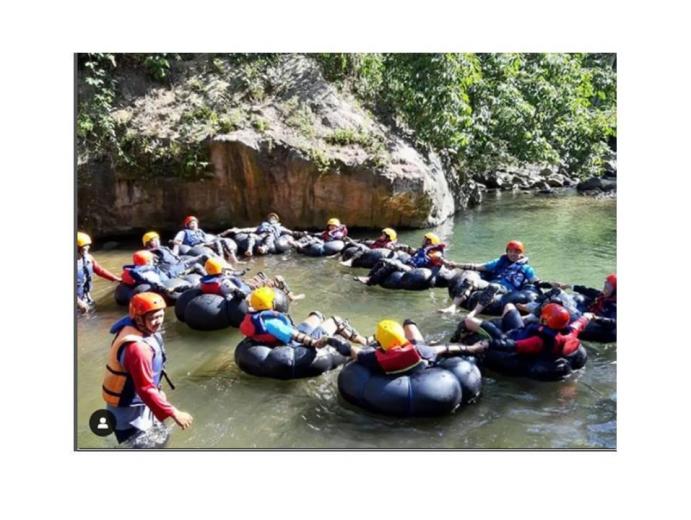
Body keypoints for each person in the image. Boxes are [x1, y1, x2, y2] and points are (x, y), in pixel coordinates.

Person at [102, 292, 193, 447]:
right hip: (128, 415)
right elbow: (144, 388)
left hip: (141, 403)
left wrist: (159, 393)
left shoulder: (141, 330)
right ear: (138, 319)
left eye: (161, 316)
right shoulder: (137, 349)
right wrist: (174, 412)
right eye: (153, 318)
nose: (158, 321)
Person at [327, 319, 486, 375]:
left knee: (368, 344)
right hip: (419, 358)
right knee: (409, 322)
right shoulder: (421, 350)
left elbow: (347, 349)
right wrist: (472, 348)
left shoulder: (374, 358)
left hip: (388, 362)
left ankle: (370, 340)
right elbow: (446, 348)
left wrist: (328, 340)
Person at [439, 240, 545, 314]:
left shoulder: (526, 268)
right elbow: (478, 266)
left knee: (493, 287)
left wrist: (548, 286)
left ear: (521, 254)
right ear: (507, 252)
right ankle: (452, 307)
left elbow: (535, 281)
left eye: (516, 252)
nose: (513, 254)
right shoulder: (499, 262)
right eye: (510, 251)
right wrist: (456, 265)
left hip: (507, 291)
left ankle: (472, 314)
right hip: (491, 283)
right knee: (470, 280)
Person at [460, 301, 594, 359]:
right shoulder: (570, 331)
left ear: (544, 320)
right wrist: (589, 316)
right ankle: (500, 323)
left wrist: (486, 344)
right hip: (520, 332)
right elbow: (581, 322)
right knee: (510, 306)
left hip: (508, 338)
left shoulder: (538, 341)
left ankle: (458, 339)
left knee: (468, 320)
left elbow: (512, 345)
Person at [239, 287, 342, 348]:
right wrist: (314, 343)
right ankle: (352, 344)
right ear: (272, 303)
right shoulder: (272, 322)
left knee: (317, 315)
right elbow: (295, 336)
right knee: (336, 320)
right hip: (294, 346)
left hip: (275, 342)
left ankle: (323, 324)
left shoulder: (253, 317)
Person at [355, 232, 449, 285]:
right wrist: (400, 247)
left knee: (393, 264)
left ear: (429, 242)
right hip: (408, 265)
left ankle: (370, 282)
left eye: (425, 239)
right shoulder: (423, 250)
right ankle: (369, 277)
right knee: (382, 261)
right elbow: (412, 251)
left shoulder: (435, 252)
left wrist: (444, 261)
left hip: (413, 269)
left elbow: (438, 258)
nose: (423, 241)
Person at [201, 257, 305, 302]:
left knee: (261, 274)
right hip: (249, 288)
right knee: (278, 278)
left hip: (245, 283)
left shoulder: (205, 282)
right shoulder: (225, 282)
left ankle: (268, 282)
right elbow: (240, 292)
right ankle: (291, 297)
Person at [76, 231, 121, 313]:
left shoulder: (88, 258)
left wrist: (117, 279)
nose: (88, 247)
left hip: (86, 298)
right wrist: (79, 303)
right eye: (85, 246)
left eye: (88, 245)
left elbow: (100, 271)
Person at [223, 212, 301, 256]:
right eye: (271, 217)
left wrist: (300, 234)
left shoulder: (280, 227)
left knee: (270, 235)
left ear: (277, 221)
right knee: (251, 235)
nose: (272, 219)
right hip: (260, 237)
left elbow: (290, 232)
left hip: (270, 239)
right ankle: (249, 250)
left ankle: (264, 248)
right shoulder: (262, 226)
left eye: (274, 218)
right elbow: (250, 229)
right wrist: (239, 230)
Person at [172, 215, 240, 263]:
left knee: (222, 241)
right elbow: (176, 242)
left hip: (204, 244)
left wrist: (225, 233)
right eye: (192, 223)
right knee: (217, 243)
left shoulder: (200, 231)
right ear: (188, 225)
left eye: (195, 223)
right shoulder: (184, 232)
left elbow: (209, 238)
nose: (194, 224)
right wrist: (174, 254)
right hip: (196, 246)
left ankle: (234, 259)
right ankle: (221, 260)